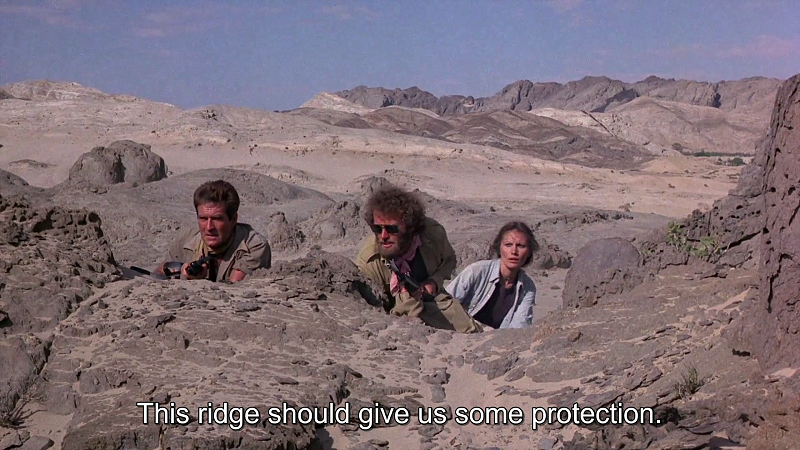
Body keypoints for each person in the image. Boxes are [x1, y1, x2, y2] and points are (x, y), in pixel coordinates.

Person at [355, 186, 482, 333]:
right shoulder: (369, 262)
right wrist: (405, 302)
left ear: (410, 227)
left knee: (470, 330)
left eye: (392, 229)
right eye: (377, 229)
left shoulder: (433, 235)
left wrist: (434, 281)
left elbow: (449, 260)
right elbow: (374, 316)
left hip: (433, 302)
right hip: (396, 318)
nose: (383, 236)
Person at [157, 180, 271, 282]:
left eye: (217, 219)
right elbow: (158, 276)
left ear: (233, 220)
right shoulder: (186, 240)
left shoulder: (254, 246)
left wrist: (196, 282)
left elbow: (234, 288)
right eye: (203, 218)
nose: (209, 227)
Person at [446, 221, 537, 329]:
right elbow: (445, 303)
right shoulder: (477, 271)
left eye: (521, 246)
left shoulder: (528, 287)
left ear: (529, 252)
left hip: (498, 338)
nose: (514, 251)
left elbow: (520, 327)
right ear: (499, 248)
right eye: (508, 245)